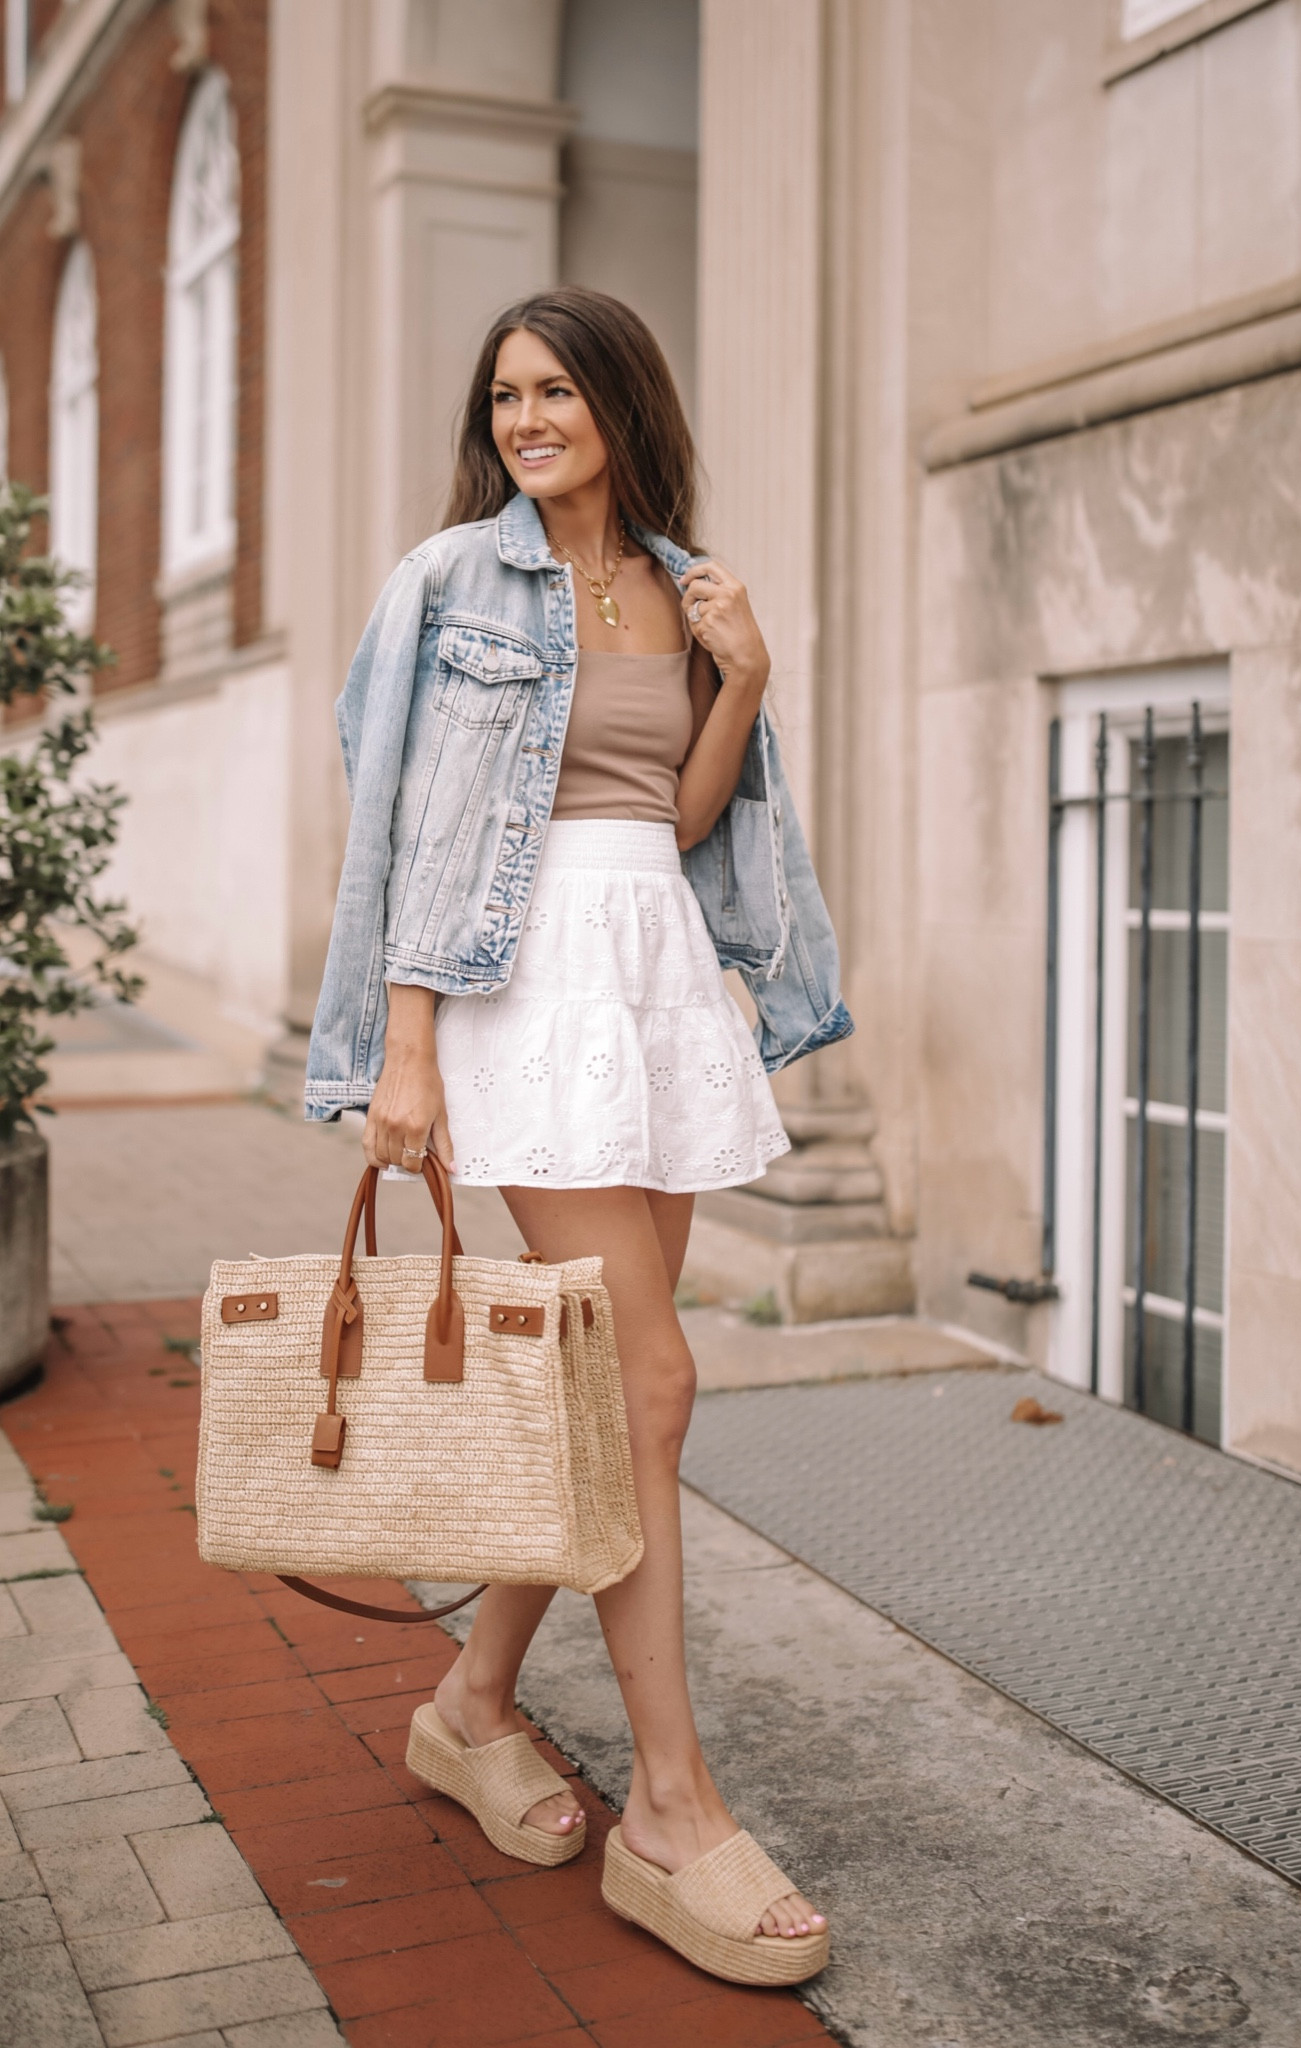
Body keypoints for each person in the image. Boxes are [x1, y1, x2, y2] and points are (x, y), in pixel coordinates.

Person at [304, 286, 851, 1986]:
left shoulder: (683, 586)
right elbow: (395, 818)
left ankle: (472, 1704)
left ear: (620, 401)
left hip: (652, 975)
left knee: (592, 1395)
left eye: (555, 390)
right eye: (506, 396)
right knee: (649, 1382)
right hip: (517, 986)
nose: (526, 420)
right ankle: (672, 1812)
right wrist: (403, 1046)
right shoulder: (448, 581)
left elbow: (672, 817)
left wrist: (744, 676)